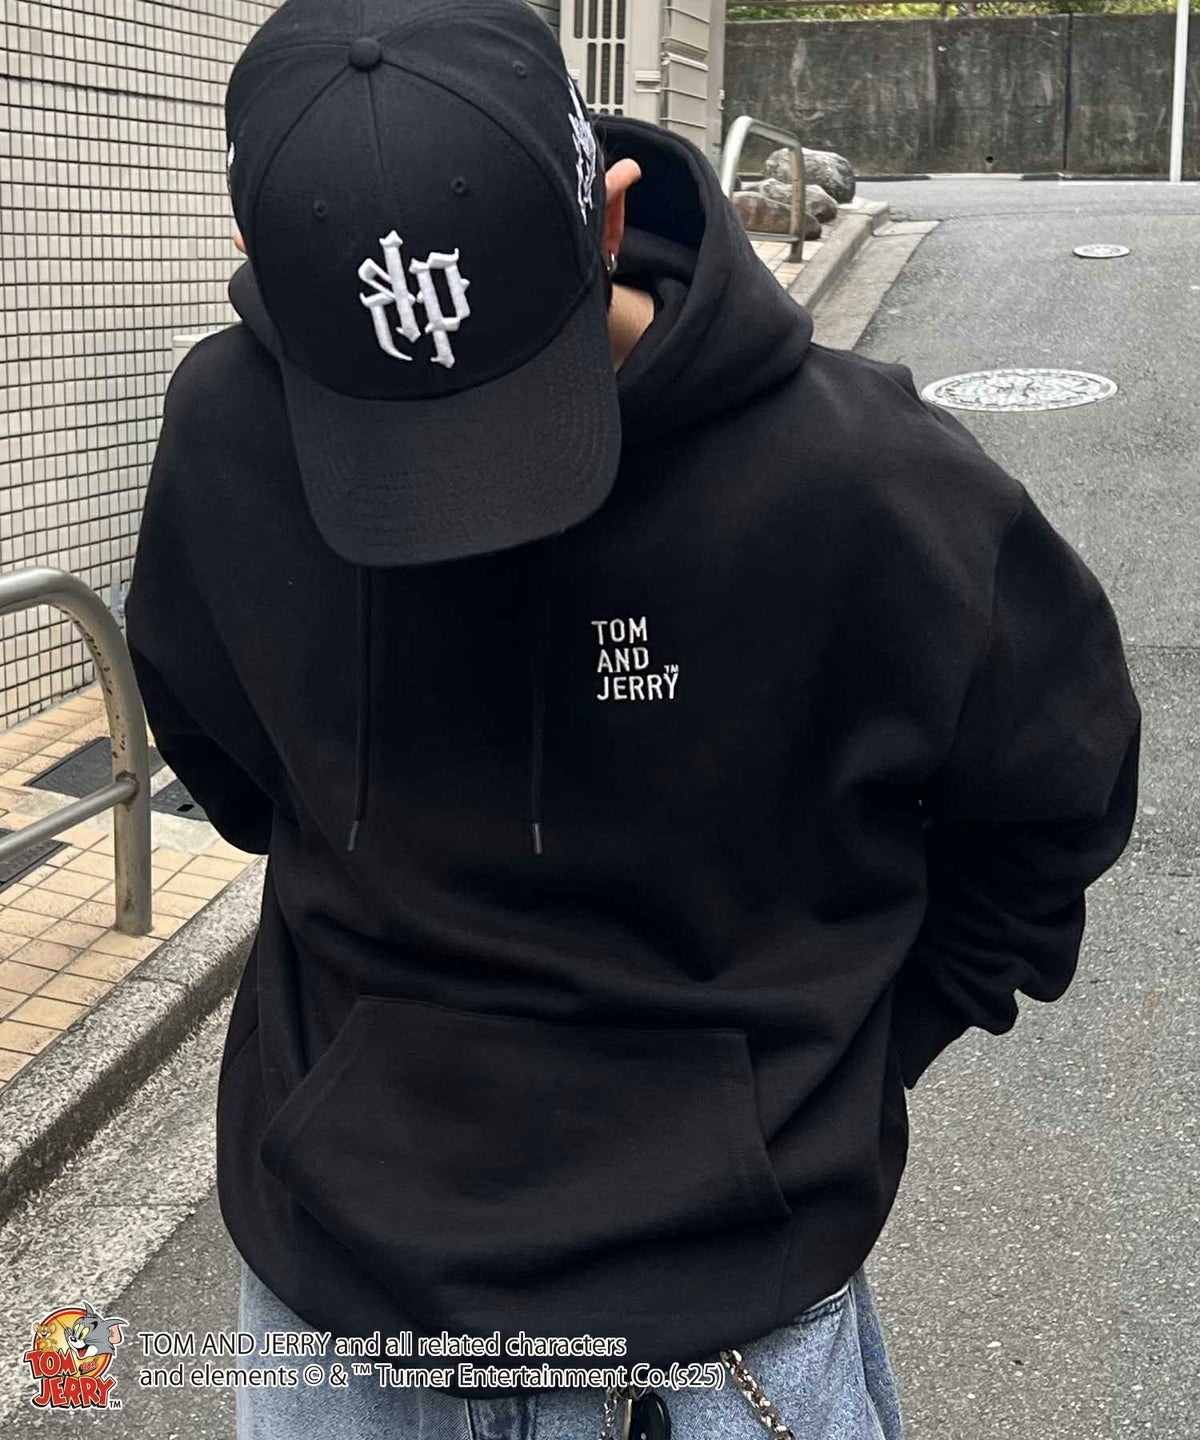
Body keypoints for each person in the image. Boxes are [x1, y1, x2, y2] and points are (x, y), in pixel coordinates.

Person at [122, 1, 1141, 1437]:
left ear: (607, 213)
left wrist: (831, 1078)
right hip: (337, 1324)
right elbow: (228, 753)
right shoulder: (230, 434)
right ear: (256, 256)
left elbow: (1052, 802)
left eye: (516, 394)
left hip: (720, 1337)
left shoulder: (863, 485)